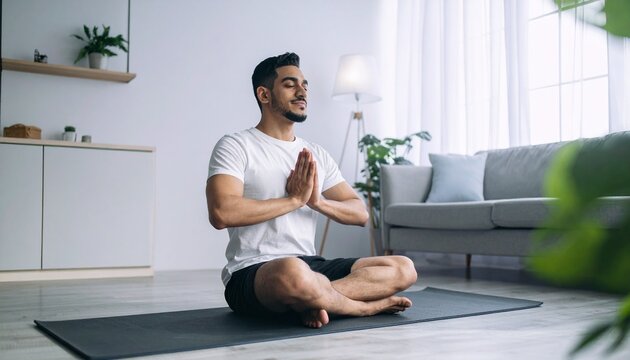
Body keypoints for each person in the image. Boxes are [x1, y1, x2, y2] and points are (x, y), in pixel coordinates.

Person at [206, 52, 417, 328]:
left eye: (305, 85)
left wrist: (317, 202)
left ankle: (312, 301)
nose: (302, 90)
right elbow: (222, 212)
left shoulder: (315, 153)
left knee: (402, 268)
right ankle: (362, 308)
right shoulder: (235, 145)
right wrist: (293, 200)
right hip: (253, 272)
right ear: (264, 94)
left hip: (310, 266)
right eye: (290, 84)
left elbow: (359, 213)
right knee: (292, 272)